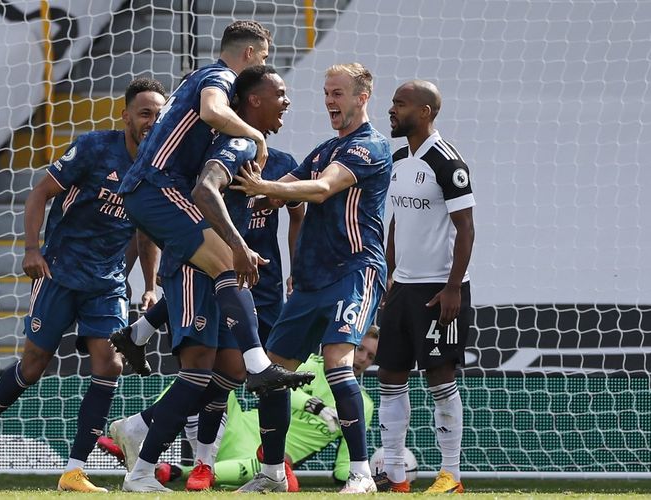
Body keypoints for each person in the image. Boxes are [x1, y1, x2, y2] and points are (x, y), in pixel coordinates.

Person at [0, 78, 167, 492]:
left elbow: (147, 231)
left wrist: (151, 284)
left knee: (111, 363)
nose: (152, 122)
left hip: (107, 282)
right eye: (144, 113)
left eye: (159, 114)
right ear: (126, 116)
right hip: (60, 272)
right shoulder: (94, 148)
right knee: (33, 366)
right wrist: (33, 249)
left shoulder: (160, 166)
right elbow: (39, 194)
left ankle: (74, 470)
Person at [119, 65, 312, 493]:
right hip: (193, 273)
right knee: (200, 372)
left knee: (224, 374)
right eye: (280, 93)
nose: (288, 101)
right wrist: (239, 245)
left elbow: (300, 206)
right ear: (254, 100)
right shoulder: (238, 142)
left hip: (239, 283)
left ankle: (145, 433)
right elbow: (204, 190)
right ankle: (147, 462)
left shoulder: (269, 156)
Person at [113, 21, 311, 394]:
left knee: (218, 265)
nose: (262, 66)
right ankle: (258, 366)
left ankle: (137, 335)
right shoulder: (218, 76)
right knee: (229, 260)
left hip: (150, 190)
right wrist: (253, 134)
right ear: (249, 54)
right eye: (263, 57)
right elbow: (210, 111)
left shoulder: (203, 77)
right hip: (156, 186)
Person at [232, 62, 392, 494]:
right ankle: (271, 474)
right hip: (310, 281)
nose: (329, 102)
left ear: (362, 97)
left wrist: (267, 189)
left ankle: (361, 474)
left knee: (339, 362)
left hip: (354, 271)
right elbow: (281, 184)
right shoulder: (324, 149)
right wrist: (231, 190)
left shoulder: (370, 147)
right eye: (326, 93)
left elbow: (319, 189)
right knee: (272, 374)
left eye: (337, 93)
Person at [100, 327, 379, 490]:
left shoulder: (361, 405)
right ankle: (143, 429)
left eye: (370, 355)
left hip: (264, 453)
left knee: (271, 467)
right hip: (234, 425)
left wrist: (369, 473)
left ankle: (171, 470)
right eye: (360, 348)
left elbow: (345, 463)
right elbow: (274, 384)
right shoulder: (310, 366)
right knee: (209, 377)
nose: (362, 358)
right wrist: (312, 404)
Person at [373, 80, 475, 494]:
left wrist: (453, 288)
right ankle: (394, 473)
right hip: (402, 289)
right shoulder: (399, 159)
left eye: (400, 103)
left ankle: (450, 474)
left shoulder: (448, 162)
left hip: (440, 290)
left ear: (426, 111)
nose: (392, 110)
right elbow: (396, 222)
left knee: (439, 379)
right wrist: (388, 274)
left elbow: (466, 228)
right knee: (390, 377)